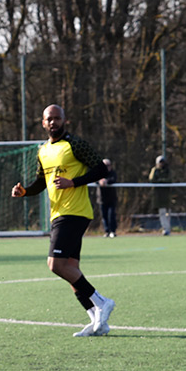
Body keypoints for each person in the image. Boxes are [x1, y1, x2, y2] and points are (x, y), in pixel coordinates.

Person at [11, 104, 117, 337]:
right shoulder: (43, 151)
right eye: (49, 119)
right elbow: (41, 182)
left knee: (55, 265)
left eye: (57, 118)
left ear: (64, 120)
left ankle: (102, 302)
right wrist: (25, 191)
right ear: (43, 123)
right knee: (70, 269)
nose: (53, 122)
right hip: (58, 213)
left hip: (74, 211)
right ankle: (96, 320)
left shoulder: (75, 144)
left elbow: (102, 170)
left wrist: (73, 182)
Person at [148, 155, 172, 235]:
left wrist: (161, 181)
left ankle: (168, 228)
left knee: (168, 212)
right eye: (160, 162)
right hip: (158, 195)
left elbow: (169, 180)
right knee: (162, 212)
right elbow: (152, 179)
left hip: (167, 194)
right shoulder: (154, 170)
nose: (161, 164)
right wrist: (160, 181)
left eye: (163, 162)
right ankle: (165, 228)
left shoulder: (168, 171)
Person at [98, 158, 119, 237]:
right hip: (101, 199)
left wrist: (106, 181)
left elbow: (113, 179)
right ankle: (106, 231)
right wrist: (100, 181)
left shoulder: (112, 173)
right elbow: (94, 179)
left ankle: (112, 231)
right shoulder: (98, 173)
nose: (107, 167)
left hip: (111, 199)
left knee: (111, 215)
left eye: (108, 165)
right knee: (104, 216)